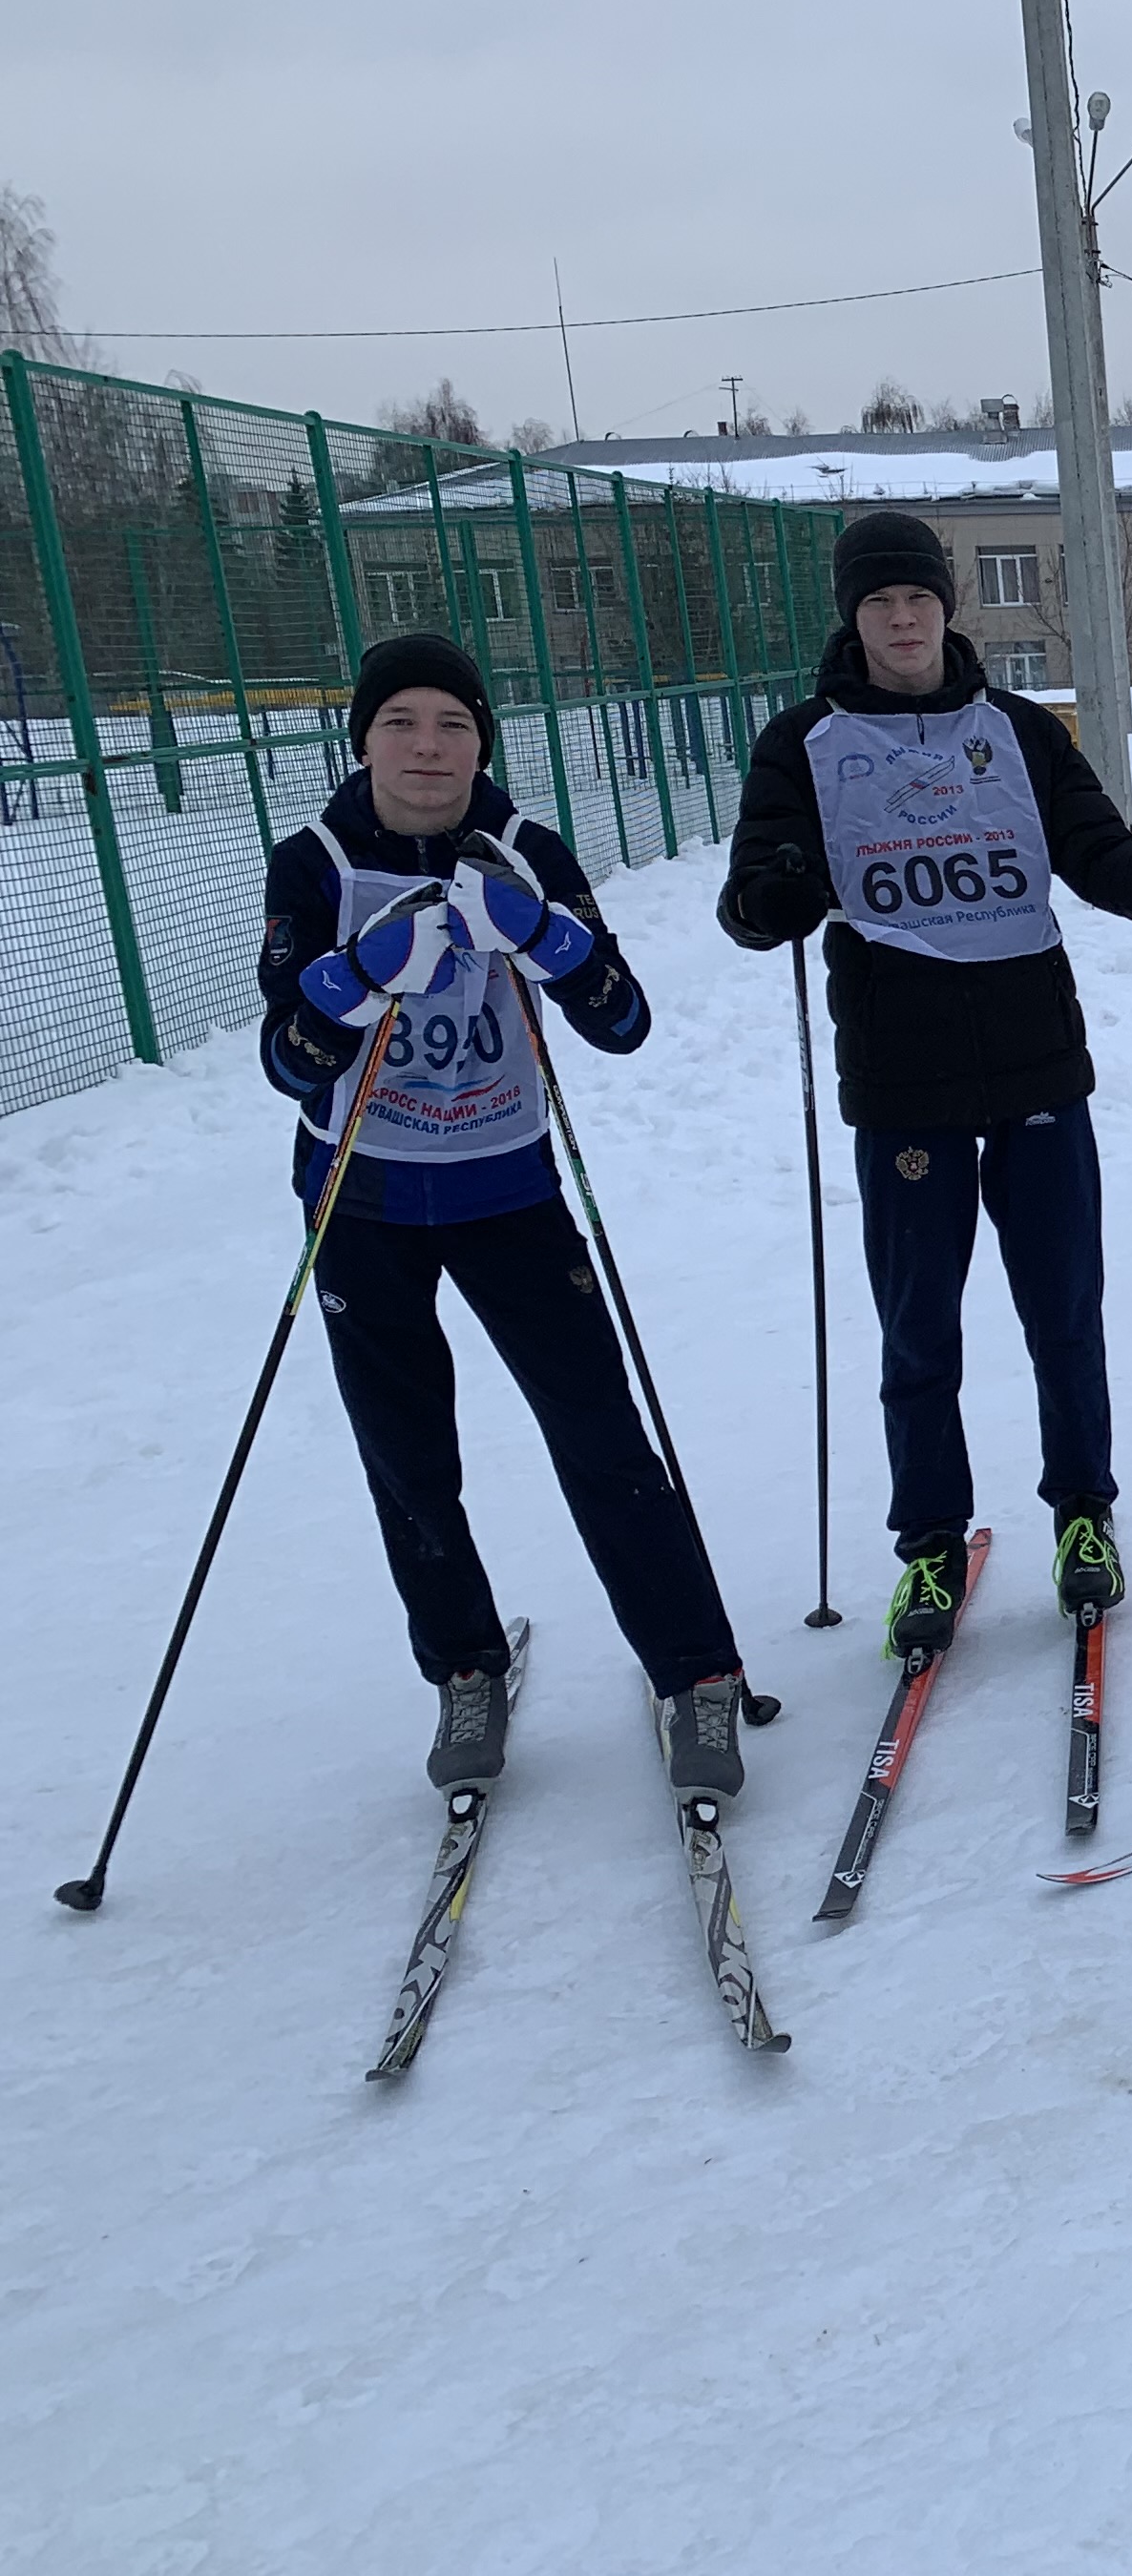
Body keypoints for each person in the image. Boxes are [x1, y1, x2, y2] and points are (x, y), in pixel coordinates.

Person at [254, 633, 754, 1798]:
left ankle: (697, 1676)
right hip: (363, 1197)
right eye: (401, 724)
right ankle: (463, 1670)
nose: (428, 748)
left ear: (482, 741)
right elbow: (287, 1061)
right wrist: (355, 976)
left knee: (599, 1436)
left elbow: (621, 1020)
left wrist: (540, 933)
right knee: (408, 1456)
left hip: (507, 1187)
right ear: (363, 737)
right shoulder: (317, 860)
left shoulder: (524, 848)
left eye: (453, 726)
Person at [717, 511, 1132, 1655]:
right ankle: (930, 1546)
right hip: (900, 1077)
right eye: (879, 601)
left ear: (949, 605)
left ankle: (1083, 1515)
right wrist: (772, 901)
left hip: (1037, 1059)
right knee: (917, 1332)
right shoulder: (803, 742)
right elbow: (753, 890)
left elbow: (1095, 851)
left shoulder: (1022, 732)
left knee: (1063, 1312)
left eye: (919, 598)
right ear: (852, 615)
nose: (902, 619)